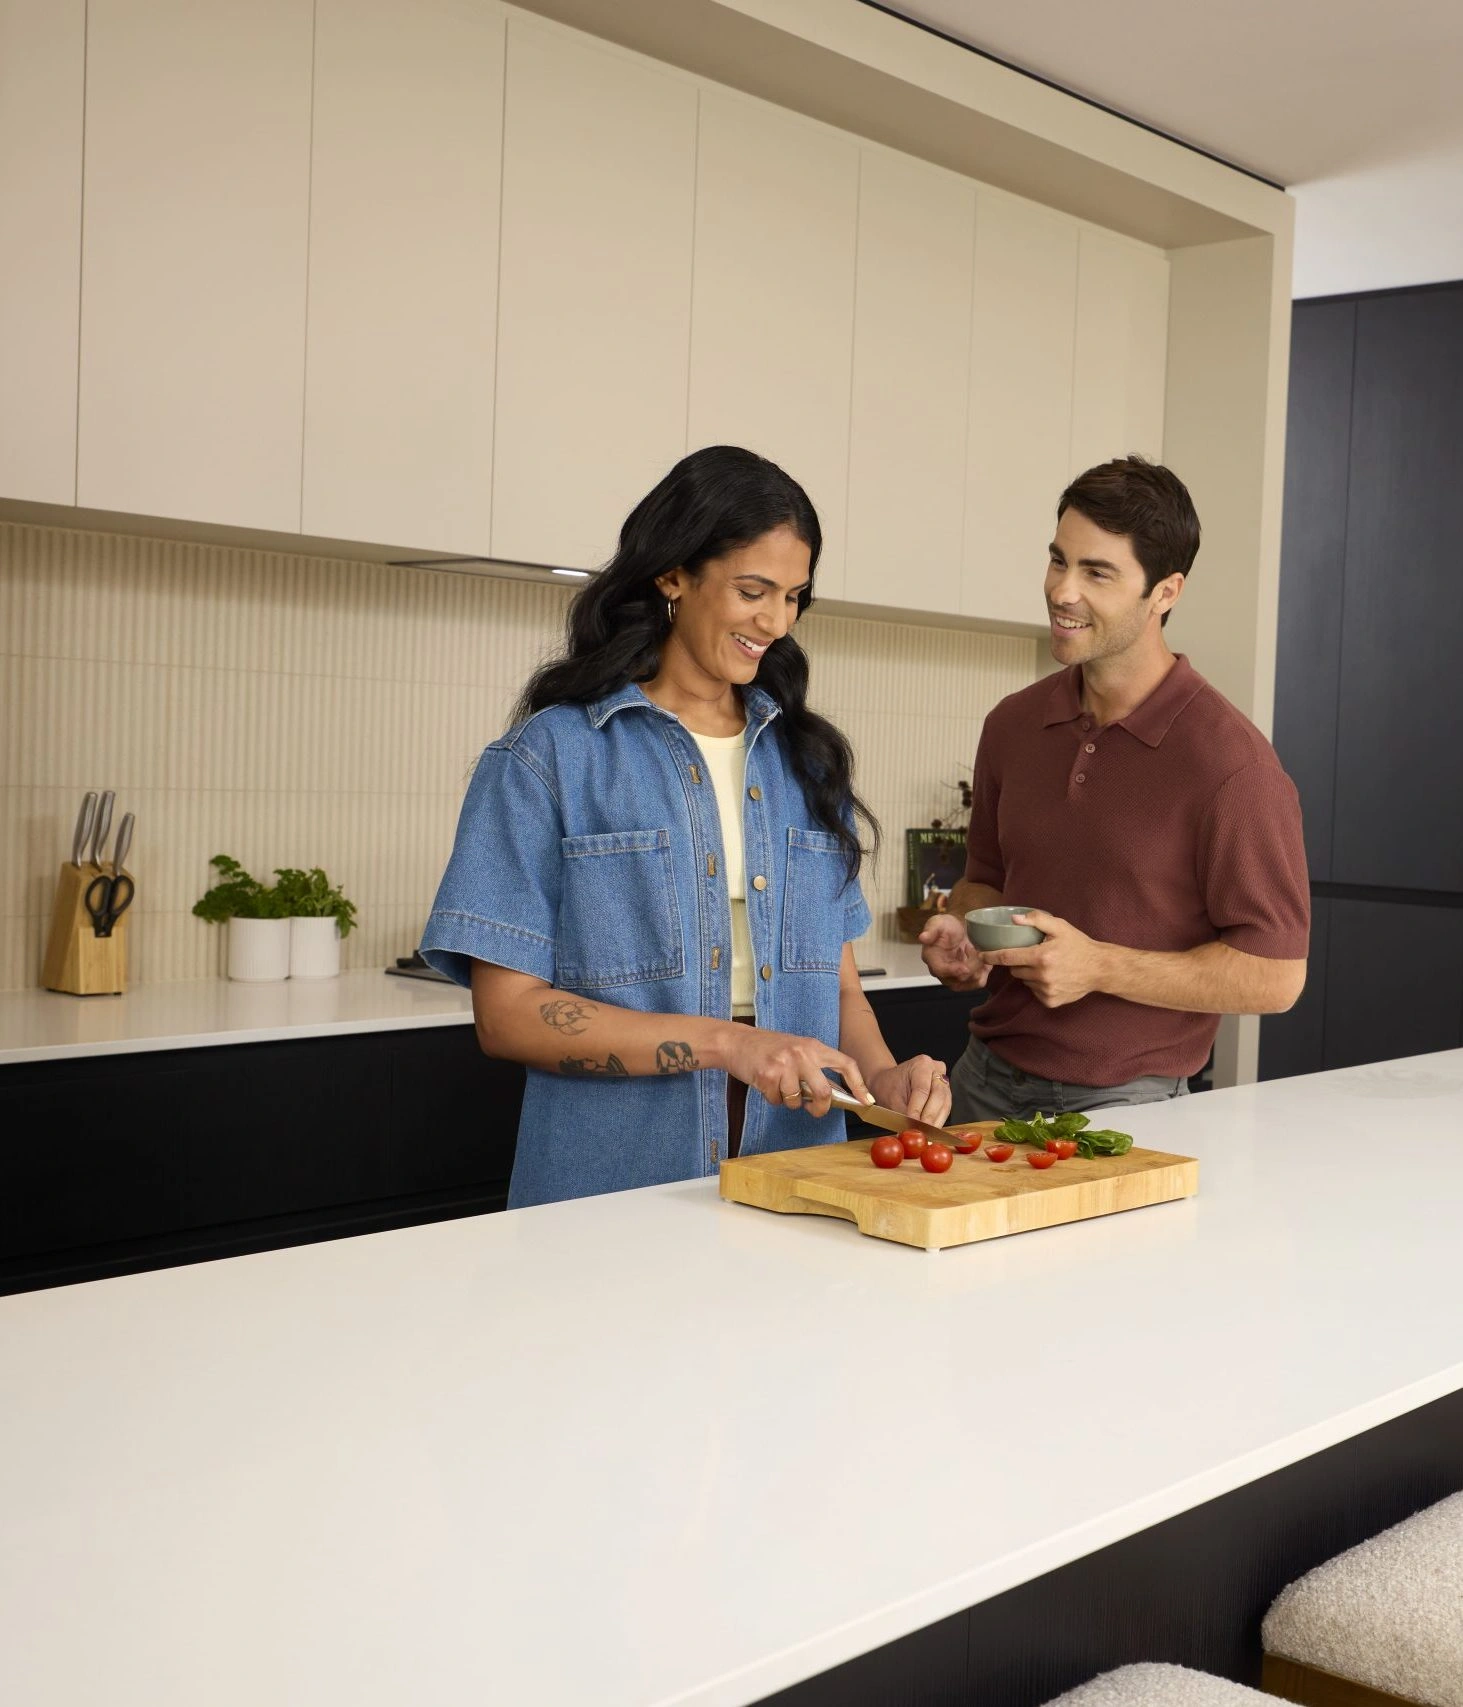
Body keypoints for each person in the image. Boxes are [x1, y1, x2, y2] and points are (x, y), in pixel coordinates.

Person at [421, 445, 950, 1206]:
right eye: (751, 589)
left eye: (793, 596)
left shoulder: (806, 763)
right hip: (610, 1192)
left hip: (796, 1181)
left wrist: (883, 1076)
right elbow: (505, 1017)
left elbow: (836, 995)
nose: (775, 620)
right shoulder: (552, 757)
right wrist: (728, 1043)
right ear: (672, 574)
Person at [919, 455, 1309, 1124]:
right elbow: (985, 879)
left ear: (1165, 592)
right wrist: (962, 931)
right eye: (1057, 560)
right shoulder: (1011, 725)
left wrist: (1098, 966)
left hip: (1126, 1108)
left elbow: (1274, 975)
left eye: (1097, 572)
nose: (1061, 591)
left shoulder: (1231, 766)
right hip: (979, 1082)